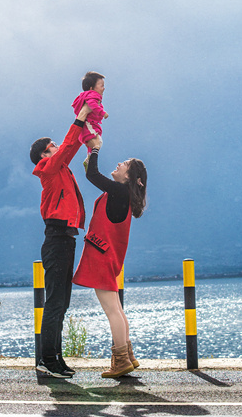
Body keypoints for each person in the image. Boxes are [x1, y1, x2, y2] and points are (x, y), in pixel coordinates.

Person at [72, 147, 147, 378]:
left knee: (112, 310)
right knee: (117, 309)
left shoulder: (118, 191)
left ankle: (121, 360)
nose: (119, 164)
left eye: (124, 163)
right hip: (108, 257)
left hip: (101, 257)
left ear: (130, 178)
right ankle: (128, 357)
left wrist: (94, 148)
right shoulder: (118, 194)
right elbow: (91, 172)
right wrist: (89, 158)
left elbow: (92, 175)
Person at [30, 103, 91, 378]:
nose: (58, 146)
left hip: (67, 240)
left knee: (62, 303)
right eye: (52, 145)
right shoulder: (48, 168)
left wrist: (88, 131)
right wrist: (81, 117)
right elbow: (69, 145)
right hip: (56, 240)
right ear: (44, 155)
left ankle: (55, 357)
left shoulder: (61, 168)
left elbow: (71, 146)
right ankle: (46, 360)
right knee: (55, 302)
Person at [71, 71, 108, 166]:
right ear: (91, 88)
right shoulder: (92, 96)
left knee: (95, 142)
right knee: (98, 143)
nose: (104, 88)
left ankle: (88, 158)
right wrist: (102, 113)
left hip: (91, 125)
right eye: (101, 85)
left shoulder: (92, 96)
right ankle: (90, 161)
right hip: (88, 125)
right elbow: (92, 106)